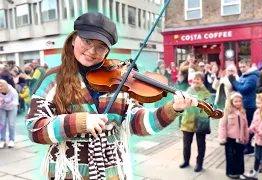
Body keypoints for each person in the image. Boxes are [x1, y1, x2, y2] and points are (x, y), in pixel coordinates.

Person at [25, 12, 198, 180]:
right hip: (69, 172)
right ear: (72, 40)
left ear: (107, 51)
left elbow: (138, 124)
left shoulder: (119, 81)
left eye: (101, 46)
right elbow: (35, 129)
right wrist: (79, 122)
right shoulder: (53, 79)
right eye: (86, 41)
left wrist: (173, 108)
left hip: (111, 172)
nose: (92, 51)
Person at [179, 72, 210, 172]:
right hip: (188, 121)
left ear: (202, 81)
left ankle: (199, 163)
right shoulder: (188, 90)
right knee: (186, 144)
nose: (196, 81)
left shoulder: (205, 92)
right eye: (194, 79)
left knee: (201, 144)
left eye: (198, 79)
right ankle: (186, 160)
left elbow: (205, 104)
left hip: (200, 122)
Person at [228, 59, 260, 154]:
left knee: (249, 126)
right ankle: (245, 144)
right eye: (240, 67)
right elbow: (238, 88)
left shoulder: (253, 76)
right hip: (242, 104)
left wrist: (234, 82)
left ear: (248, 65)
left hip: (249, 105)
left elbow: (244, 89)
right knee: (243, 126)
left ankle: (250, 147)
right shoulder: (244, 75)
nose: (242, 69)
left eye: (243, 67)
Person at [219, 92, 248, 179]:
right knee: (230, 156)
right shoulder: (227, 112)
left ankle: (240, 172)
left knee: (240, 156)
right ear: (232, 102)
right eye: (236, 101)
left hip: (240, 138)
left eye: (239, 101)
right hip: (230, 138)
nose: (238, 103)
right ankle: (230, 172)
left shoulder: (242, 112)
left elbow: (245, 126)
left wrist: (246, 136)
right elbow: (222, 125)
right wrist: (223, 137)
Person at [0, 79, 19, 148]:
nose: (0, 88)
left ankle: (12, 140)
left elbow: (16, 102)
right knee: (2, 123)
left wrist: (9, 103)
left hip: (12, 108)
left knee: (11, 123)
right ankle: (2, 140)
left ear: (5, 86)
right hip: (2, 108)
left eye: (1, 86)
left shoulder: (13, 91)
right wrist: (1, 103)